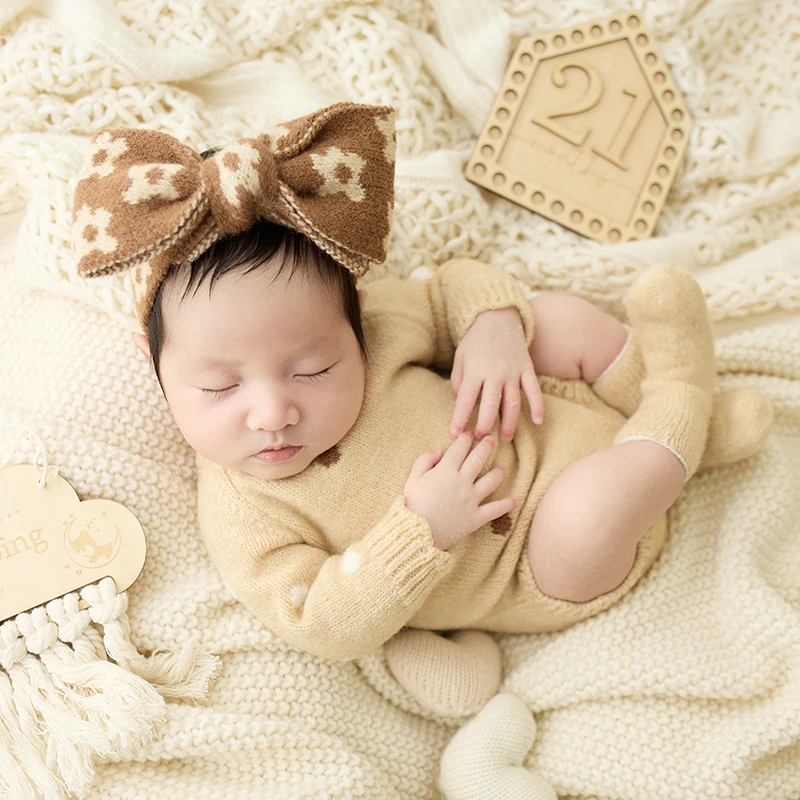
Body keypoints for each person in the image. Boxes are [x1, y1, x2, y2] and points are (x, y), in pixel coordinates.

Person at [72, 102, 772, 716]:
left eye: (314, 368)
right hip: (539, 556)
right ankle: (684, 399)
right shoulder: (243, 510)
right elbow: (317, 621)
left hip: (552, 416)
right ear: (153, 363)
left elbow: (447, 289)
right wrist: (422, 530)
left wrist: (491, 328)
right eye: (220, 389)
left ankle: (661, 424)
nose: (273, 412)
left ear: (357, 322)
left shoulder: (379, 331)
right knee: (588, 516)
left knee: (550, 319)